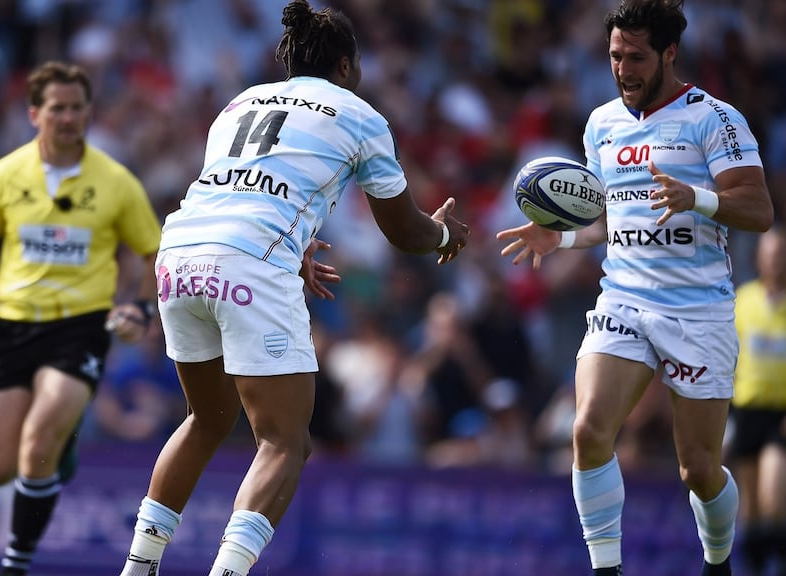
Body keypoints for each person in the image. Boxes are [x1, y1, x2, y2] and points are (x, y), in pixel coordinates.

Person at [117, 2, 470, 575]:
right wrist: (441, 234)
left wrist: (294, 246)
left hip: (179, 254)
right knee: (283, 442)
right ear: (347, 65)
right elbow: (403, 231)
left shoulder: (240, 103)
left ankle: (138, 567)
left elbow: (242, 188)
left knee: (207, 418)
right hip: (251, 265)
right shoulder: (359, 114)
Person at [496, 1, 774, 575]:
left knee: (698, 469)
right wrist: (562, 240)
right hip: (624, 299)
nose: (624, 69)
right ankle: (606, 570)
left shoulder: (713, 119)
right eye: (616, 56)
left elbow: (760, 209)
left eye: (637, 57)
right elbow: (609, 217)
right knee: (588, 429)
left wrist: (695, 198)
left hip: (698, 310)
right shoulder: (602, 123)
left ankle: (718, 561)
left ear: (669, 53)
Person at [0, 60, 162, 576]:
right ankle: (62, 446)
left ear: (89, 112)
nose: (69, 117)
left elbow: (156, 254)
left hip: (80, 326)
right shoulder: (6, 174)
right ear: (34, 114)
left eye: (77, 108)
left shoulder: (115, 181)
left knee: (37, 443)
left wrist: (139, 306)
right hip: (11, 325)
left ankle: (15, 564)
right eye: (58, 108)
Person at [728, 225, 786, 575]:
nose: (775, 259)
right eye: (770, 252)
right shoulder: (743, 300)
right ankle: (755, 566)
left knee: (772, 494)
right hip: (746, 410)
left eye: (781, 253)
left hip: (780, 414)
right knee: (749, 508)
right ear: (759, 257)